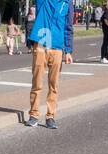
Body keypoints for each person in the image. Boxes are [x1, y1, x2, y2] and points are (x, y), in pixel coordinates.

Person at [25, 0, 73, 128]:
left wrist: (68, 51)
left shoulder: (67, 3)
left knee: (54, 84)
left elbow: (68, 27)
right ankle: (34, 115)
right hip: (41, 43)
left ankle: (50, 116)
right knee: (37, 82)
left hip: (57, 47)